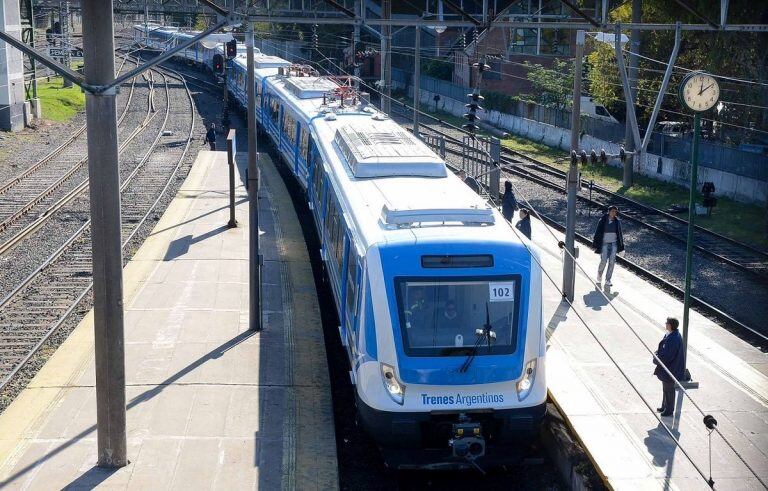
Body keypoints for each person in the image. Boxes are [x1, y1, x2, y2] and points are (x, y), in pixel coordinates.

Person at [653, 317, 686, 417]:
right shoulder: (671, 335)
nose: (665, 324)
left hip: (671, 369)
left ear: (670, 325)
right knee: (665, 389)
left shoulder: (673, 339)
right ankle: (664, 406)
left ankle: (669, 410)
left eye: (667, 323)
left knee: (669, 390)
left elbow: (667, 356)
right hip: (667, 368)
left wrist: (656, 358)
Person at [592, 205, 624, 287]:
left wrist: (621, 248)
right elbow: (597, 232)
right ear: (609, 211)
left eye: (615, 211)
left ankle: (608, 280)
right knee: (603, 261)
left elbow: (620, 235)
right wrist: (595, 243)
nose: (614, 213)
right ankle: (599, 276)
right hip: (604, 244)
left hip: (614, 244)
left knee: (612, 262)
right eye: (612, 211)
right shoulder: (602, 220)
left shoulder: (617, 222)